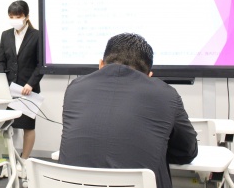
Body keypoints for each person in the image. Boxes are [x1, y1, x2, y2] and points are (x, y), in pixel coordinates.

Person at [59, 33, 198, 188]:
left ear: (101, 65)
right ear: (149, 75)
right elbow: (187, 151)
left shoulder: (75, 88)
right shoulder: (167, 94)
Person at [0, 0, 43, 160]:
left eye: (18, 17)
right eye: (11, 17)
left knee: (28, 127)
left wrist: (31, 83)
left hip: (29, 89)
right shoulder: (6, 35)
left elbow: (41, 64)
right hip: (10, 89)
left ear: (26, 17)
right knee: (7, 125)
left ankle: (24, 161)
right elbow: (0, 61)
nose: (14, 20)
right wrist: (2, 81)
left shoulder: (37, 35)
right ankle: (9, 160)